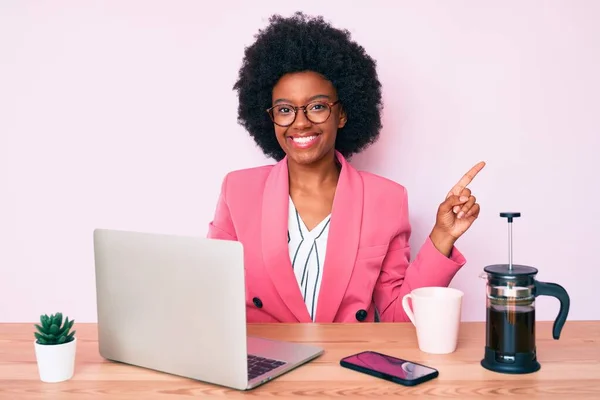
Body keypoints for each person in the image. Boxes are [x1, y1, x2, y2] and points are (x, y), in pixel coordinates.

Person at [207, 12, 484, 323]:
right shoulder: (237, 191)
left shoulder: (387, 199)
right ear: (268, 117)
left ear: (342, 114)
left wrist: (442, 236)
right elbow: (213, 298)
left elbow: (398, 318)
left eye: (317, 106)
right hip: (264, 363)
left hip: (345, 363)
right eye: (285, 109)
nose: (300, 122)